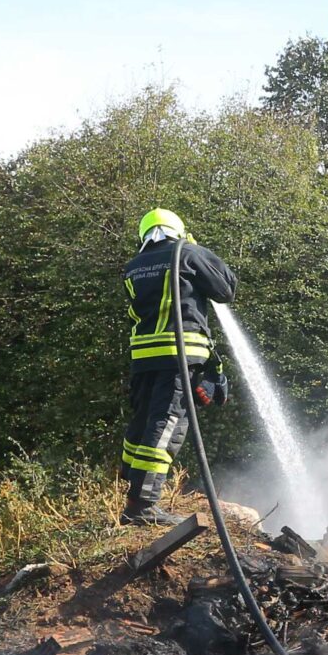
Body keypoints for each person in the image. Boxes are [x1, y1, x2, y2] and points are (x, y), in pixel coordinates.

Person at [118, 207, 237, 526]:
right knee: (167, 423)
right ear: (179, 230)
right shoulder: (188, 253)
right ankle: (142, 506)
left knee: (142, 424)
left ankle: (126, 489)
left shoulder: (133, 266)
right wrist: (201, 252)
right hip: (180, 355)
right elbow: (225, 289)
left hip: (144, 358)